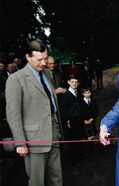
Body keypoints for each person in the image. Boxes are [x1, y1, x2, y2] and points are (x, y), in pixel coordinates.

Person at [5, 39, 63, 186]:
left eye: (45, 58)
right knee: (37, 181)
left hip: (54, 135)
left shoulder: (48, 74)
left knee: (57, 179)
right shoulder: (15, 80)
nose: (44, 63)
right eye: (39, 59)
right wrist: (20, 142)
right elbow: (13, 113)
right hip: (34, 141)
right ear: (28, 57)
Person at [60, 74, 85, 166]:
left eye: (76, 82)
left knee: (79, 138)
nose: (74, 84)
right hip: (71, 121)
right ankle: (73, 160)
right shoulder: (66, 95)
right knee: (73, 141)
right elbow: (63, 109)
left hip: (79, 119)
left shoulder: (78, 93)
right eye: (72, 82)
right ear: (68, 82)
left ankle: (79, 157)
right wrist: (67, 120)